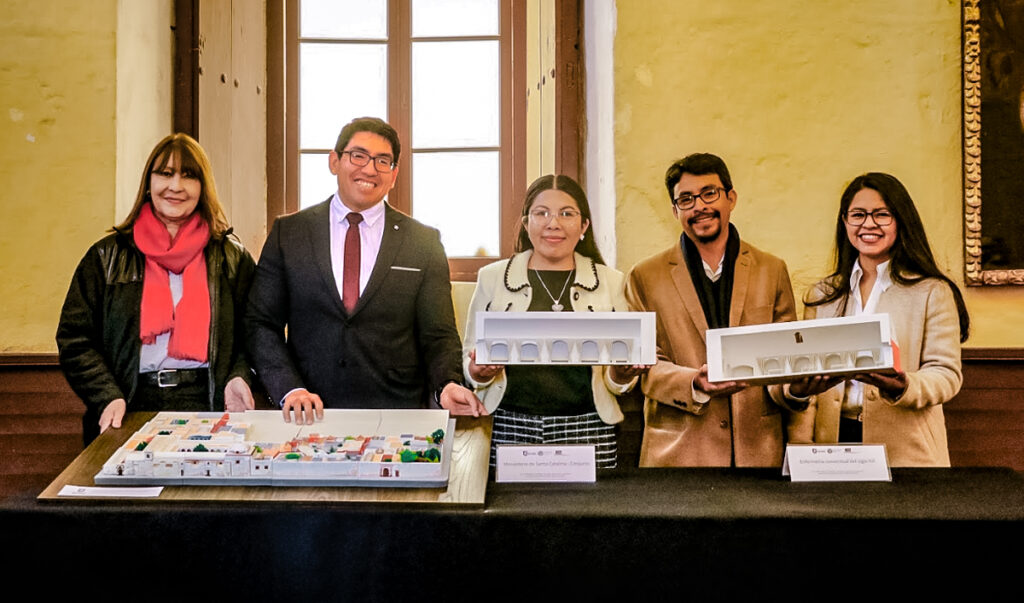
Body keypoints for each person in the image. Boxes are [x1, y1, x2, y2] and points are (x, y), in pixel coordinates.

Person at [246, 117, 485, 423]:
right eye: (358, 156)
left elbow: (438, 334)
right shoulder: (289, 233)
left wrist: (447, 385)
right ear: (334, 162)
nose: (370, 169)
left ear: (394, 175)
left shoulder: (423, 242)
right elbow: (261, 323)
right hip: (308, 412)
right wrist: (289, 388)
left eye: (383, 161)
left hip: (397, 414)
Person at [56, 134, 257, 444]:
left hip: (209, 403)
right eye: (165, 173)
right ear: (148, 183)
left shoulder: (232, 258)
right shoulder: (107, 256)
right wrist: (107, 395)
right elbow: (75, 338)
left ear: (203, 187)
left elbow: (254, 334)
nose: (176, 186)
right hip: (129, 404)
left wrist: (238, 377)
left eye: (189, 175)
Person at [784, 173, 969, 466]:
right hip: (830, 449)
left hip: (907, 453)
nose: (868, 224)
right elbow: (808, 389)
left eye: (882, 215)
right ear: (844, 222)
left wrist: (903, 385)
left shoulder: (933, 291)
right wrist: (801, 447)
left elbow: (946, 375)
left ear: (901, 220)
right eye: (858, 215)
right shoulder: (822, 295)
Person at [624, 153, 797, 467]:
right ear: (675, 210)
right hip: (678, 456)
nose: (699, 206)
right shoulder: (644, 276)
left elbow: (787, 357)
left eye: (709, 193)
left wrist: (797, 388)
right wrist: (693, 383)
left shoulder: (772, 269)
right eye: (686, 199)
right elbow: (644, 365)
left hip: (757, 454)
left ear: (731, 198)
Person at [463, 175, 645, 468]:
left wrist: (622, 374)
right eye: (542, 213)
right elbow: (469, 359)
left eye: (567, 213)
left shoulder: (611, 282)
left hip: (589, 427)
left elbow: (616, 381)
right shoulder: (492, 277)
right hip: (507, 425)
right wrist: (479, 371)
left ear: (584, 225)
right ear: (526, 224)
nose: (553, 223)